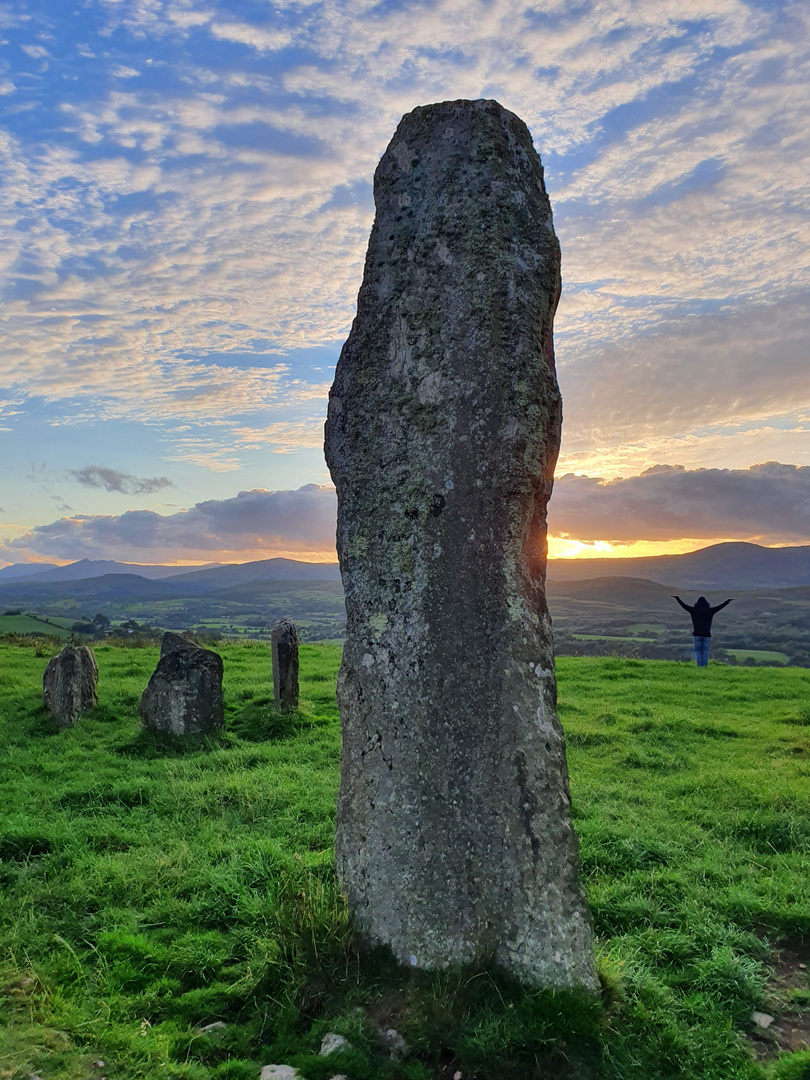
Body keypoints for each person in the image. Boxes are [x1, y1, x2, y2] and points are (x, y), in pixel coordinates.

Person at [671, 594, 735, 667]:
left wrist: (677, 598)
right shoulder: (710, 611)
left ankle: (699, 666)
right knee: (705, 652)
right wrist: (728, 601)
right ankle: (704, 666)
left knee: (698, 652)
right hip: (706, 635)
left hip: (697, 634)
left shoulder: (694, 610)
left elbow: (684, 606)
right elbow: (720, 607)